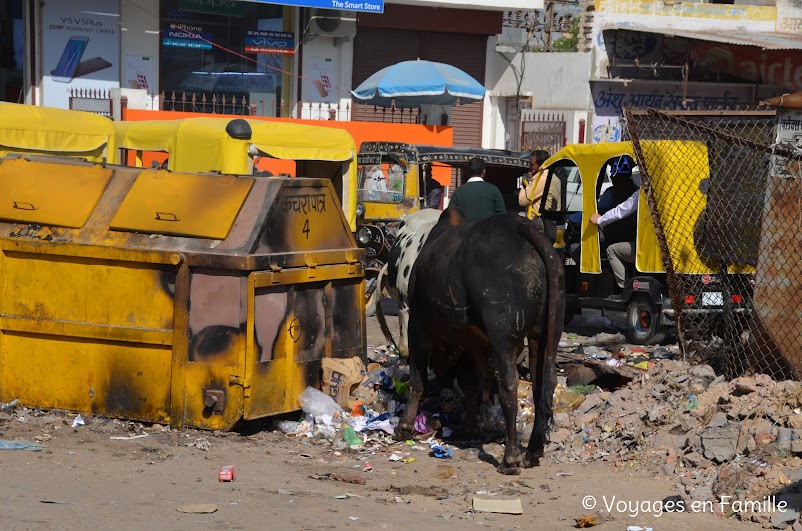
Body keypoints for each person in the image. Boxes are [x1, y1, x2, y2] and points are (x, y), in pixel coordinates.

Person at [589, 169, 641, 301]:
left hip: (645, 250)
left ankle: (625, 290)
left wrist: (600, 220)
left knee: (611, 250)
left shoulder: (644, 192)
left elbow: (622, 210)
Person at [518, 149, 562, 240]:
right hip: (549, 226)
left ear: (542, 164)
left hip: (540, 229)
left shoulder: (541, 179)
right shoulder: (555, 178)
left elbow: (522, 200)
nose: (530, 167)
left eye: (532, 164)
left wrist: (524, 185)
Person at [448, 157, 505, 221]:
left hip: (465, 230)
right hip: (488, 230)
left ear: (468, 171)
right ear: (484, 171)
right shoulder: (493, 190)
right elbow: (502, 216)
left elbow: (450, 216)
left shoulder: (458, 191)